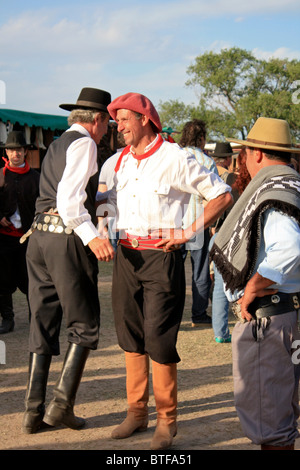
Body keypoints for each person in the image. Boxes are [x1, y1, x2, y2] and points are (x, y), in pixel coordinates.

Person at [104, 92, 232, 450]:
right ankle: (136, 413)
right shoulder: (118, 162)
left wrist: (187, 232)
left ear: (145, 119)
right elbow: (107, 202)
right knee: (129, 335)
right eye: (116, 120)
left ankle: (167, 421)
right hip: (126, 255)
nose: (119, 126)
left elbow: (222, 195)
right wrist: (103, 228)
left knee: (158, 338)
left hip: (163, 257)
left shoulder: (176, 158)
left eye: (125, 119)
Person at [22, 87, 114, 435]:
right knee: (85, 322)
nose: (108, 131)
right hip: (65, 239)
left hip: (39, 238)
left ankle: (33, 413)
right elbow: (70, 200)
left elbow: (56, 196)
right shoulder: (86, 143)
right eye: (107, 124)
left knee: (42, 321)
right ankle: (61, 406)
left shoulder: (56, 144)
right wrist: (94, 239)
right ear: (97, 119)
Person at [210, 117, 300, 450]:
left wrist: (254, 285)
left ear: (257, 153)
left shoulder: (273, 190)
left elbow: (290, 246)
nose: (243, 158)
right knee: (281, 415)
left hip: (272, 317)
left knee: (270, 422)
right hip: (289, 312)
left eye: (245, 151)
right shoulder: (293, 184)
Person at [179, 119, 218, 326]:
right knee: (200, 270)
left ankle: (172, 314)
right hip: (199, 223)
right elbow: (214, 196)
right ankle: (199, 314)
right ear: (201, 138)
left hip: (175, 223)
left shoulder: (173, 158)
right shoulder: (207, 162)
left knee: (173, 271)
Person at [0, 131, 40, 334]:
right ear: (6, 152)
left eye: (19, 149)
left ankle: (36, 318)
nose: (15, 153)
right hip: (4, 238)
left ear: (25, 152)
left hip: (29, 238)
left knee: (31, 280)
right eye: (11, 149)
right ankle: (7, 319)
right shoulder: (0, 175)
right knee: (3, 280)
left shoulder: (36, 177)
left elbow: (43, 204)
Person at [208, 142, 239, 342]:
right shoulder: (233, 180)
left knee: (219, 285)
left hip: (215, 233)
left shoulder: (209, 176)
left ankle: (220, 332)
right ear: (228, 159)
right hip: (231, 234)